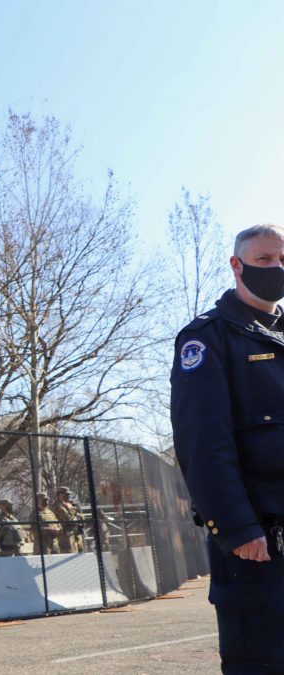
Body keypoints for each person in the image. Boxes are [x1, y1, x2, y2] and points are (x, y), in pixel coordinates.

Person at [171, 224, 284, 672]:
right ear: (237, 265)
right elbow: (203, 444)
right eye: (263, 260)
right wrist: (236, 529)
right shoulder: (208, 338)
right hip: (258, 539)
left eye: (281, 259)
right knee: (261, 661)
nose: (275, 268)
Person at [52, 487, 85, 553]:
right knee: (70, 553)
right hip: (66, 535)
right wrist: (77, 518)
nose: (68, 496)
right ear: (60, 495)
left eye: (68, 494)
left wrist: (79, 517)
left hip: (76, 532)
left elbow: (80, 515)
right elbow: (69, 519)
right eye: (66, 494)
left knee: (80, 552)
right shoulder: (58, 506)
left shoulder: (69, 504)